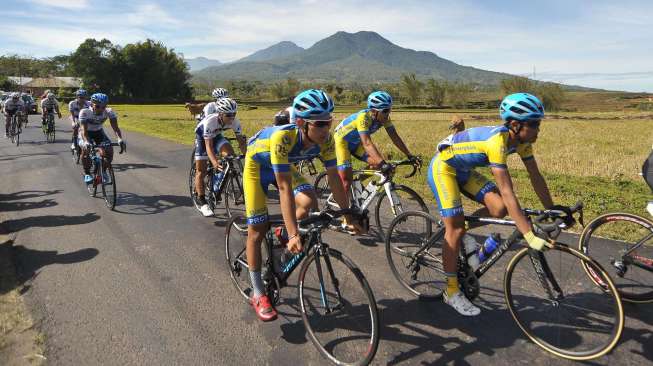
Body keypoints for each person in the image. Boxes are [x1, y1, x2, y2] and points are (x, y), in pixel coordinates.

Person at [427, 92, 555, 316]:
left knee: (499, 209)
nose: (539, 129)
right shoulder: (496, 143)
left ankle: (462, 234)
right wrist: (528, 234)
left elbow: (536, 177)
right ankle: (451, 291)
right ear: (515, 125)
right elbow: (507, 190)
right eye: (534, 123)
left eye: (539, 123)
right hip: (443, 169)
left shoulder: (523, 142)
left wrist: (552, 210)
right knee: (454, 229)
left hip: (463, 170)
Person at [244, 89, 363, 321]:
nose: (326, 129)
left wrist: (348, 216)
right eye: (320, 124)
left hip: (282, 167)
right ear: (300, 122)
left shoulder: (327, 141)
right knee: (257, 231)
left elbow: (334, 180)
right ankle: (258, 292)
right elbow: (284, 189)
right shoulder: (283, 138)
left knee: (309, 200)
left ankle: (280, 232)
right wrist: (293, 234)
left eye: (329, 122)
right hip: (257, 168)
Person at [334, 91, 419, 197]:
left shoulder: (384, 118)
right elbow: (367, 143)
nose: (388, 114)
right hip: (342, 143)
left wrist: (409, 155)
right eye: (385, 110)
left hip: (356, 143)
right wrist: (383, 163)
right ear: (374, 111)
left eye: (390, 110)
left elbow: (394, 137)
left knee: (376, 165)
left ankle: (356, 182)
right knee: (346, 182)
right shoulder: (363, 117)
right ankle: (345, 212)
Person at [193, 97, 247, 217]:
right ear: (220, 114)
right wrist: (214, 162)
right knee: (201, 170)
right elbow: (209, 147)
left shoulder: (235, 122)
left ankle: (217, 185)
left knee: (230, 156)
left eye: (234, 114)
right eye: (228, 115)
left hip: (217, 135)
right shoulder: (210, 122)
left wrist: (247, 156)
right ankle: (202, 201)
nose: (232, 117)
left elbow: (241, 143)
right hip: (203, 138)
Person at [78, 93, 125, 184]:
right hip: (86, 133)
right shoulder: (85, 112)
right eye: (98, 106)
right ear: (91, 104)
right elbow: (83, 130)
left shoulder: (109, 111)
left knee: (109, 151)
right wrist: (87, 142)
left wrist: (119, 139)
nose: (100, 109)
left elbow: (115, 127)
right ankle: (87, 173)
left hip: (99, 132)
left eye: (103, 107)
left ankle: (103, 171)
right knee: (86, 150)